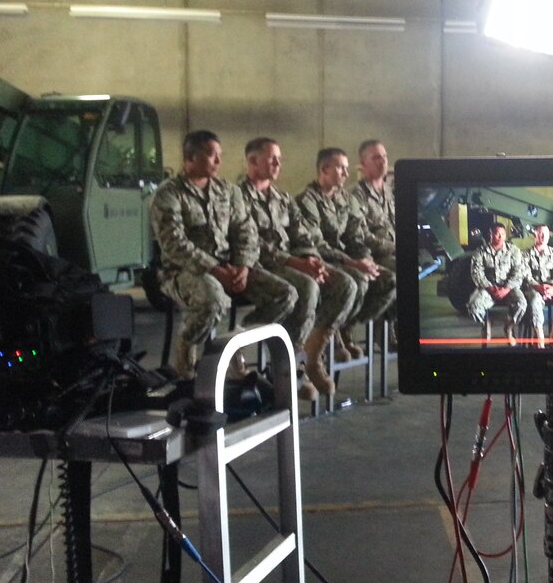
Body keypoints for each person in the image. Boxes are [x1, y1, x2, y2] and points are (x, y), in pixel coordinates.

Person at [150, 130, 297, 381]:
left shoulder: (227, 191)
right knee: (213, 300)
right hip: (185, 270)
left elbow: (246, 231)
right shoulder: (169, 194)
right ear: (191, 157)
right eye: (211, 155)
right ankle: (186, 351)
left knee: (285, 294)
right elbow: (174, 243)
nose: (218, 161)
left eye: (220, 155)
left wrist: (243, 267)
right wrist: (215, 269)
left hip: (231, 268)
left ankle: (235, 344)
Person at [240, 138, 359, 398]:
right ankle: (288, 366)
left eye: (279, 158)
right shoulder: (238, 197)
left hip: (291, 262)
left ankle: (313, 356)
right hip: (260, 263)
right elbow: (251, 243)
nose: (277, 163)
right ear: (253, 161)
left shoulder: (282, 198)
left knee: (345, 284)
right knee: (306, 287)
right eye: (271, 158)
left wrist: (312, 260)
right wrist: (296, 263)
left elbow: (302, 234)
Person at [297, 148, 396, 357]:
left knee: (388, 280)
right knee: (355, 282)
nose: (346, 173)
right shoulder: (307, 201)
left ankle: (345, 325)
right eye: (340, 168)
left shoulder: (346, 199)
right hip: (323, 260)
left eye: (346, 168)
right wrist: (353, 263)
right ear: (324, 169)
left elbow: (356, 236)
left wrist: (366, 260)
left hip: (347, 260)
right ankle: (326, 335)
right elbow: (316, 244)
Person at [466, 223, 527, 345]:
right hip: (488, 288)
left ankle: (509, 327)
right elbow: (476, 273)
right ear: (490, 235)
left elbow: (518, 272)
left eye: (502, 234)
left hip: (509, 288)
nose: (500, 237)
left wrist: (506, 289)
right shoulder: (481, 251)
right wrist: (490, 288)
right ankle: (486, 322)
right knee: (473, 307)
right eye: (496, 234)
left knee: (521, 304)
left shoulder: (513, 251)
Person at [522, 223, 553, 348]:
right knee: (534, 300)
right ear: (534, 235)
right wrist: (539, 287)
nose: (543, 236)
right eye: (540, 233)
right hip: (534, 287)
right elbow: (526, 275)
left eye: (546, 234)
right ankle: (540, 336)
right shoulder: (525, 254)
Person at [351, 139, 396, 271]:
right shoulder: (357, 195)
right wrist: (393, 247)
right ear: (363, 164)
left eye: (384, 156)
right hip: (375, 256)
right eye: (376, 158)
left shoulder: (389, 191)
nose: (382, 161)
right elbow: (361, 235)